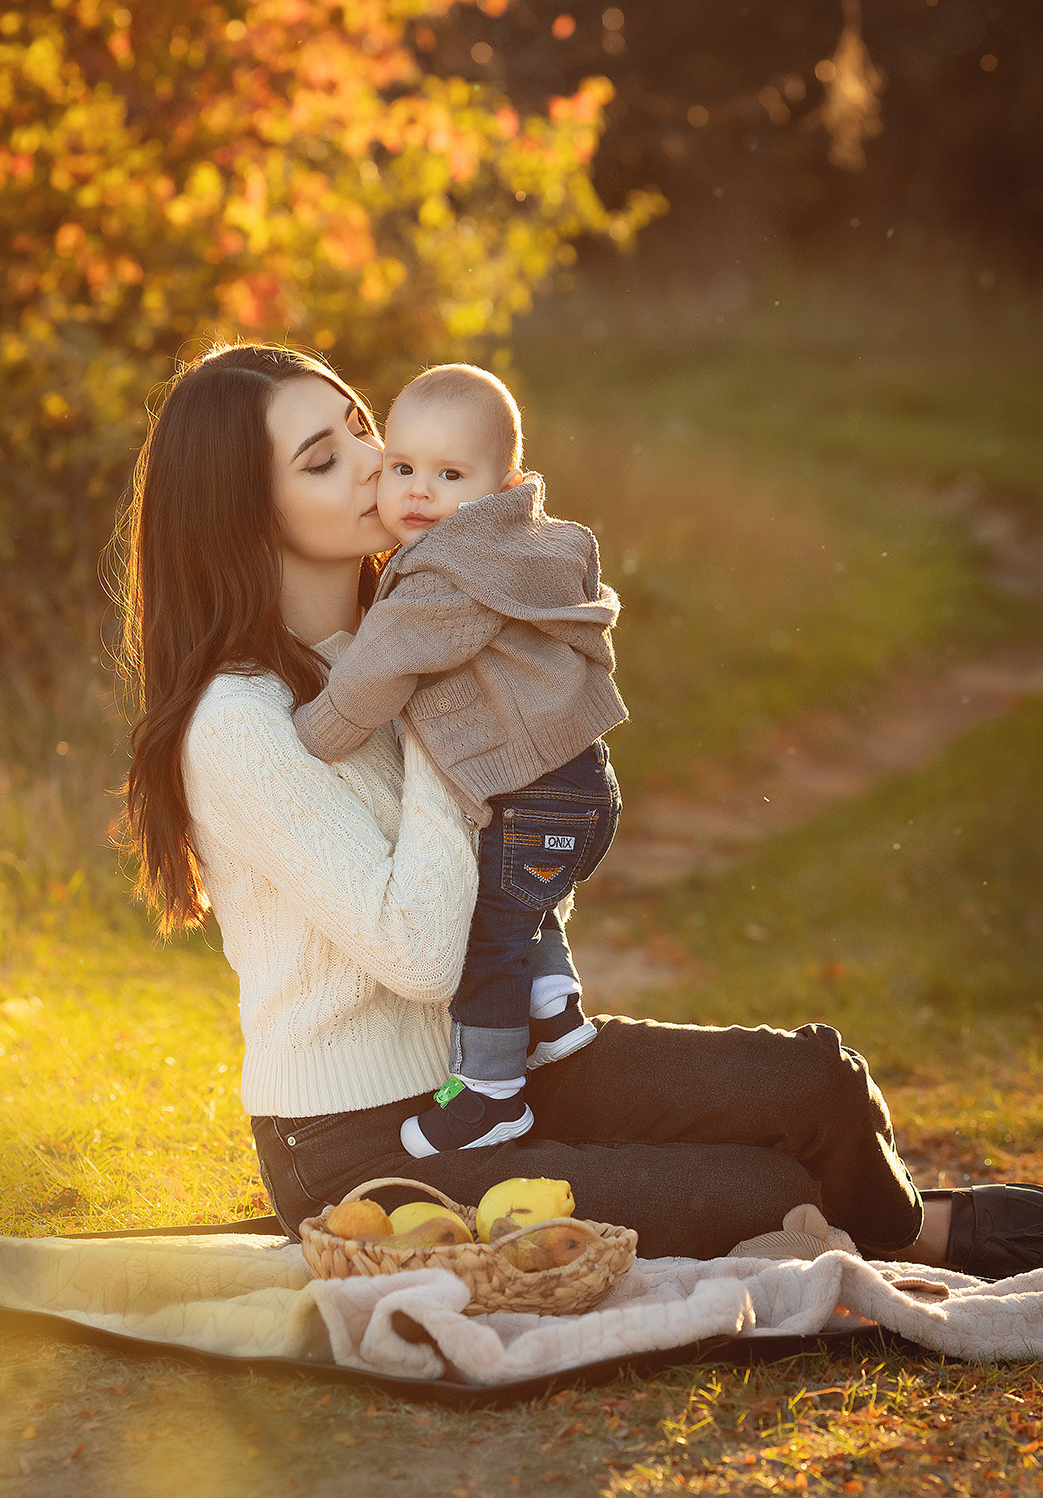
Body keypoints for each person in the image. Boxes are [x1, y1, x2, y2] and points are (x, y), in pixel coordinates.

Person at [117, 338, 1043, 1278]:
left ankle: (909, 1231)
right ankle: (938, 1237)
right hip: (361, 1145)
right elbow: (422, 952)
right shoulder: (242, 723)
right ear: (243, 516)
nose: (374, 462)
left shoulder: (422, 628)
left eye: (362, 428)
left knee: (818, 1083)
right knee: (762, 1194)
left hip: (506, 1070)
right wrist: (443, 702)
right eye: (323, 460)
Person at [291, 364, 627, 1159]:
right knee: (518, 903)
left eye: (450, 475)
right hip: (581, 782)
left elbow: (376, 671)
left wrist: (311, 734)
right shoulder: (534, 544)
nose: (418, 491)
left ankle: (488, 1094)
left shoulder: (444, 577)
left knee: (487, 940)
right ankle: (555, 1006)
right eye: (404, 467)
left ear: (502, 485)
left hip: (532, 799)